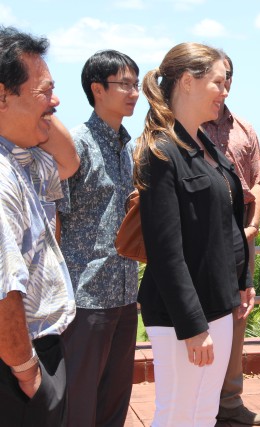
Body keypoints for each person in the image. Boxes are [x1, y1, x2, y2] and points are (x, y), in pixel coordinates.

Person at [134, 42, 251, 426]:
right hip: (184, 315)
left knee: (203, 412)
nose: (225, 91)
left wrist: (243, 281)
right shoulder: (162, 151)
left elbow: (226, 224)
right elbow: (165, 251)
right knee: (177, 414)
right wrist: (193, 327)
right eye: (218, 82)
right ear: (187, 82)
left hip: (217, 303)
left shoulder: (205, 146)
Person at [57, 50, 140, 427]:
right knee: (80, 400)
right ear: (97, 89)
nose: (134, 92)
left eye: (136, 84)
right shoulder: (76, 145)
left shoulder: (128, 148)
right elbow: (55, 221)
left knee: (115, 399)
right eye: (125, 84)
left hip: (124, 293)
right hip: (85, 295)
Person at [0, 26, 77, 426]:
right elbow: (2, 291)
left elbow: (70, 160)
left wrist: (41, 109)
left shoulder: (26, 158)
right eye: (44, 90)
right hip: (17, 364)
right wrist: (28, 372)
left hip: (31, 349)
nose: (56, 101)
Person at [202, 54, 260, 426]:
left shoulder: (244, 128)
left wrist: (254, 225)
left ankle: (230, 403)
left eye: (227, 77)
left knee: (237, 319)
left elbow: (259, 180)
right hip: (202, 236)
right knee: (202, 319)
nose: (223, 85)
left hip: (241, 232)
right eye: (216, 77)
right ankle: (201, 405)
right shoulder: (187, 125)